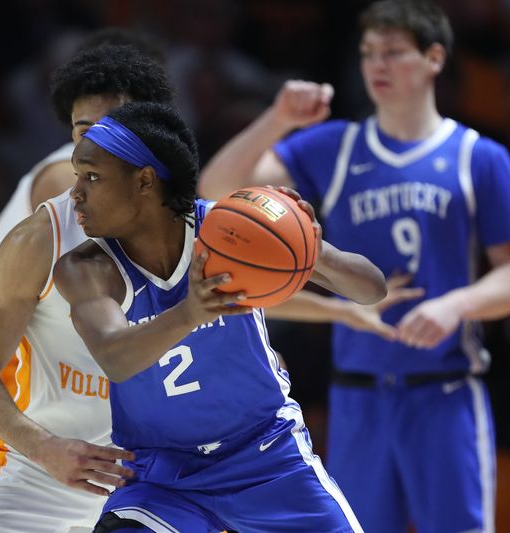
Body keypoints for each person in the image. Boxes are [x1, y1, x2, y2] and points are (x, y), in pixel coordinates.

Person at [197, 1, 510, 530]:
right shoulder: (335, 146)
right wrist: (278, 119)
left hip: (446, 390)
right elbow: (218, 192)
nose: (377, 66)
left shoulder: (478, 157)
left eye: (393, 52)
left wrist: (457, 305)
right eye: (368, 53)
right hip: (357, 393)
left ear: (434, 58)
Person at [54, 101, 386, 531]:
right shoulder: (86, 269)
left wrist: (311, 248)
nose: (75, 192)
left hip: (266, 455)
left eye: (92, 177)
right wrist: (190, 312)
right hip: (162, 477)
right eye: (78, 176)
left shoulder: (232, 229)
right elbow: (114, 357)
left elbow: (372, 288)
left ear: (145, 180)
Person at [0, 44, 176, 533]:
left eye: (115, 126)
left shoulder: (198, 229)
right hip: (42, 470)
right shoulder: (40, 237)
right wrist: (44, 448)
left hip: (159, 480)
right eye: (83, 132)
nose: (97, 145)